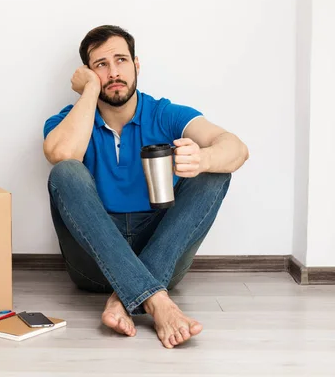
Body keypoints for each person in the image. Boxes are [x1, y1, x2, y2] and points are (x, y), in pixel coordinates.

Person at [42, 25, 249, 349]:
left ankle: (125, 297)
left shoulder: (164, 113)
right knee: (66, 171)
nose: (113, 72)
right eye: (100, 65)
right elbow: (63, 154)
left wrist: (203, 158)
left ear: (136, 65)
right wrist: (90, 92)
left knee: (215, 172)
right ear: (87, 74)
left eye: (121, 60)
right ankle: (156, 300)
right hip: (93, 263)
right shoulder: (71, 119)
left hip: (161, 252)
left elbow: (236, 148)